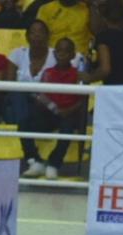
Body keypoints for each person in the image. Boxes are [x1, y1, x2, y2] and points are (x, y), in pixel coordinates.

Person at [20, 38, 85, 179]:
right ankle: (34, 161)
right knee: (24, 122)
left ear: (73, 55)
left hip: (69, 113)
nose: (62, 54)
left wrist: (69, 110)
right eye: (59, 51)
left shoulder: (78, 75)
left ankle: (53, 164)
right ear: (54, 54)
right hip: (50, 113)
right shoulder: (47, 72)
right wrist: (54, 109)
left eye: (67, 51)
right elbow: (41, 96)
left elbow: (83, 99)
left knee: (67, 128)